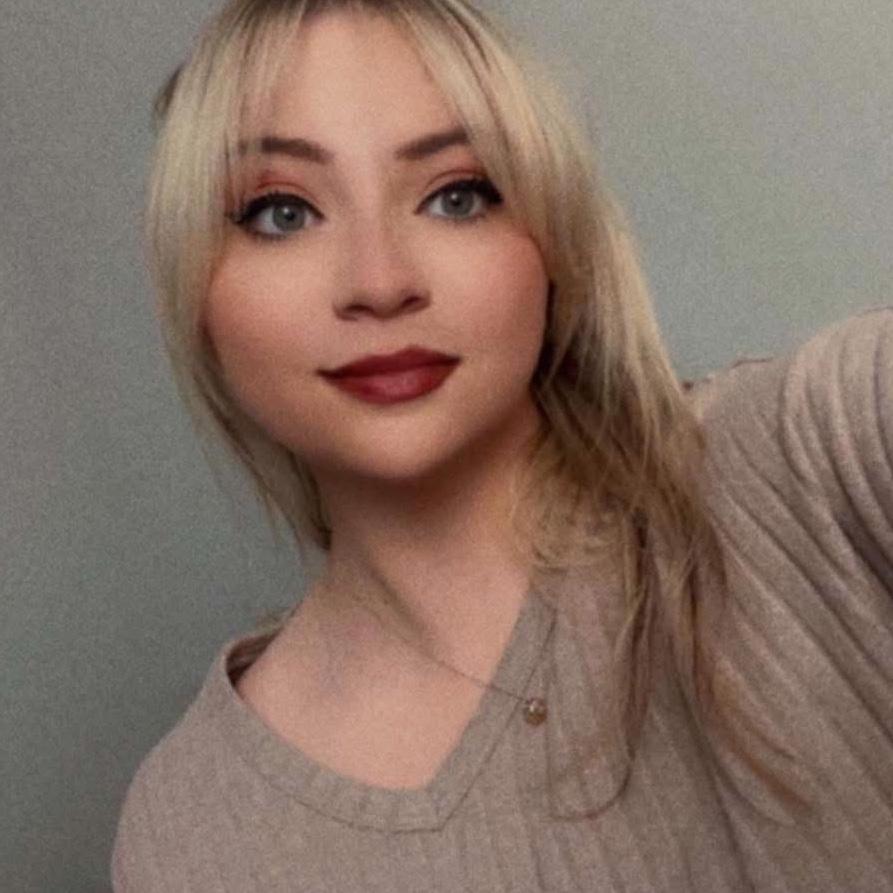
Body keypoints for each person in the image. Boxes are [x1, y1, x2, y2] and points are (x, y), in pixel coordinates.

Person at [111, 0, 893, 889]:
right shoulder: (189, 829)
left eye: (457, 195)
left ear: (553, 246)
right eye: (281, 212)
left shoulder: (810, 463)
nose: (380, 281)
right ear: (196, 289)